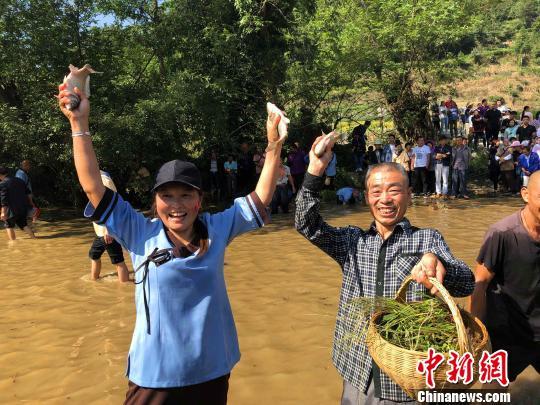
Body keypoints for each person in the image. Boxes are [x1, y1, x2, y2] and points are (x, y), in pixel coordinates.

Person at [58, 83, 284, 404]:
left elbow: (260, 198)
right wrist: (78, 124)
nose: (176, 204)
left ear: (198, 200)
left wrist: (273, 144)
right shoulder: (139, 232)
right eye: (167, 195)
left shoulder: (217, 229)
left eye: (185, 194)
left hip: (211, 370)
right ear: (156, 200)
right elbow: (93, 186)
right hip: (155, 375)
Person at [295, 150, 475, 403]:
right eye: (376, 192)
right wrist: (314, 170)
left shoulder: (427, 239)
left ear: (409, 195)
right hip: (358, 372)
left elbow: (467, 282)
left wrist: (439, 264)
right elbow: (305, 224)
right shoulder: (351, 241)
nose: (385, 200)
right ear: (367, 197)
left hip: (408, 378)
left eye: (394, 190)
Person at [471, 171, 540, 387]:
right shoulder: (502, 234)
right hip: (507, 334)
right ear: (525, 194)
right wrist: (476, 335)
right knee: (491, 395)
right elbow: (479, 285)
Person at [89, 171, 130, 282]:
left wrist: (108, 229)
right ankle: (94, 281)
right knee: (94, 255)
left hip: (108, 231)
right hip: (100, 232)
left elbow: (112, 204)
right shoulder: (93, 179)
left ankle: (124, 287)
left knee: (118, 261)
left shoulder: (104, 179)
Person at [0, 166, 35, 240]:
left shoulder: (3, 183)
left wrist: (3, 212)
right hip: (23, 208)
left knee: (8, 225)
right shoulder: (19, 180)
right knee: (24, 225)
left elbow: (4, 199)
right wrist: (31, 203)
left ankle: (13, 244)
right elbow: (28, 193)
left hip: (12, 210)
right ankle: (34, 239)